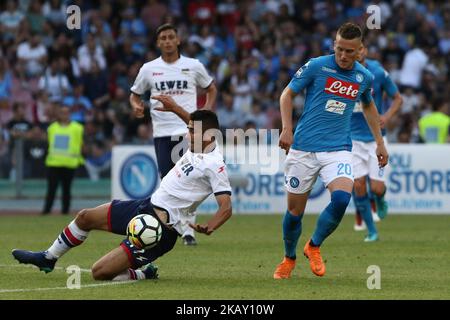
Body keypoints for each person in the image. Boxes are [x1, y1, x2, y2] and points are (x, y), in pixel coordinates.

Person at [12, 109, 232, 281]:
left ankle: (144, 273)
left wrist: (210, 225)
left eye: (192, 130)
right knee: (85, 217)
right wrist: (175, 108)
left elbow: (226, 207)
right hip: (145, 206)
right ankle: (48, 258)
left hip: (160, 231)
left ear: (208, 135)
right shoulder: (197, 145)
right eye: (189, 128)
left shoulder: (215, 165)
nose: (187, 133)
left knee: (100, 273)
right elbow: (195, 122)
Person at [273, 23, 388, 279]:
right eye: (339, 50)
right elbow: (286, 95)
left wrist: (379, 142)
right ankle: (288, 258)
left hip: (338, 148)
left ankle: (313, 246)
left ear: (360, 51)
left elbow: (368, 106)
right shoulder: (316, 65)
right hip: (303, 148)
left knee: (341, 199)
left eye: (349, 51)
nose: (344, 56)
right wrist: (286, 128)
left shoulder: (363, 77)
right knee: (294, 213)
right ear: (334, 45)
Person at [129, 23, 218, 246]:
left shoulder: (193, 65)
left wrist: (206, 112)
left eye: (171, 37)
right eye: (163, 38)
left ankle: (188, 231)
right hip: (162, 133)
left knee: (191, 179)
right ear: (158, 43)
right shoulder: (148, 69)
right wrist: (136, 106)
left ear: (178, 40)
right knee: (169, 182)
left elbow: (211, 88)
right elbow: (135, 94)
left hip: (187, 131)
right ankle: (176, 225)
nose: (167, 41)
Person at [351, 45, 403, 239]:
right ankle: (372, 231)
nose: (358, 51)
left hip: (376, 139)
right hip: (353, 139)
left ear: (364, 49)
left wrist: (387, 116)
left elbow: (397, 98)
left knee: (376, 188)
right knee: (358, 186)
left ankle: (380, 198)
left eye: (361, 47)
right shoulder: (342, 73)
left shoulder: (378, 72)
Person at [42, 104, 84, 215]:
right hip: (54, 163)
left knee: (67, 190)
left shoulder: (77, 128)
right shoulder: (52, 128)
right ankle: (46, 211)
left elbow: (80, 144)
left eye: (66, 112)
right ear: (59, 114)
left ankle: (65, 211)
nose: (64, 115)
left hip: (70, 164)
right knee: (51, 189)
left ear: (70, 114)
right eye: (62, 112)